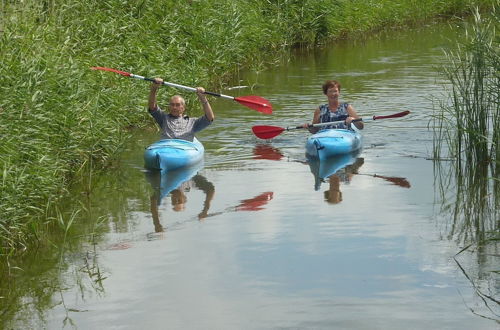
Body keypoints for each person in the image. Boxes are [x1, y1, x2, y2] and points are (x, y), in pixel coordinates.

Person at [148, 78, 215, 141]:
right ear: (169, 107)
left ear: (183, 107)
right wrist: (154, 88)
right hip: (167, 146)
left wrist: (203, 98)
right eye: (172, 104)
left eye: (177, 105)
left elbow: (210, 118)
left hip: (184, 148)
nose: (174, 107)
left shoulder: (193, 122)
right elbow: (152, 107)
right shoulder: (163, 118)